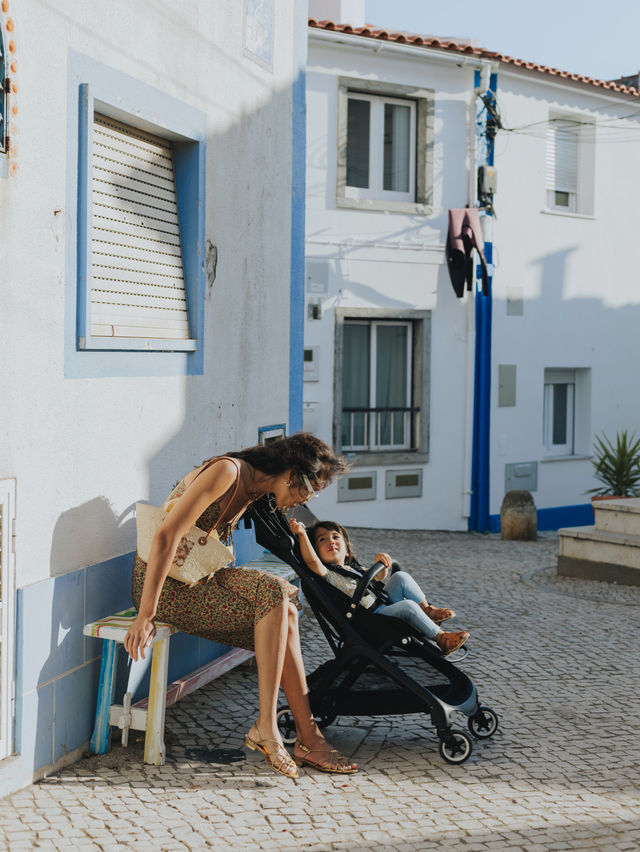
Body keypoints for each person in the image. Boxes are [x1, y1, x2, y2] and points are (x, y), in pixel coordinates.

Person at [124, 433, 357, 779]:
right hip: (168, 588)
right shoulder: (228, 473)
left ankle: (306, 736)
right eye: (305, 491)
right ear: (291, 472)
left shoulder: (256, 488)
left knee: (286, 608)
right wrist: (146, 614)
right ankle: (270, 726)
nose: (303, 501)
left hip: (201, 578)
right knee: (273, 596)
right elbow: (166, 535)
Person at [289, 518, 470, 656]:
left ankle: (428, 610)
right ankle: (442, 638)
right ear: (316, 550)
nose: (331, 542)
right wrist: (302, 535)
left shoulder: (354, 567)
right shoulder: (326, 574)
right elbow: (311, 561)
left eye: (336, 537)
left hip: (383, 604)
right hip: (371, 618)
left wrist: (381, 563)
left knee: (400, 577)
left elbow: (379, 578)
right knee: (408, 607)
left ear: (346, 548)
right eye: (322, 540)